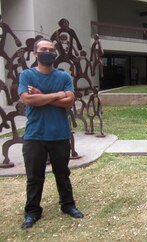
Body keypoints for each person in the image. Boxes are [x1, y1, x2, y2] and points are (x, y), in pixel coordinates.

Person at [18, 39, 84, 229]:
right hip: (34, 135)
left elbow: (69, 101)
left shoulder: (63, 76)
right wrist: (57, 95)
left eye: (51, 50)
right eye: (43, 49)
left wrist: (42, 96)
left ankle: (68, 205)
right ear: (35, 54)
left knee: (62, 174)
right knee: (34, 177)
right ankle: (32, 212)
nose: (48, 52)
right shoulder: (27, 75)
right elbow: (28, 100)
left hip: (60, 135)